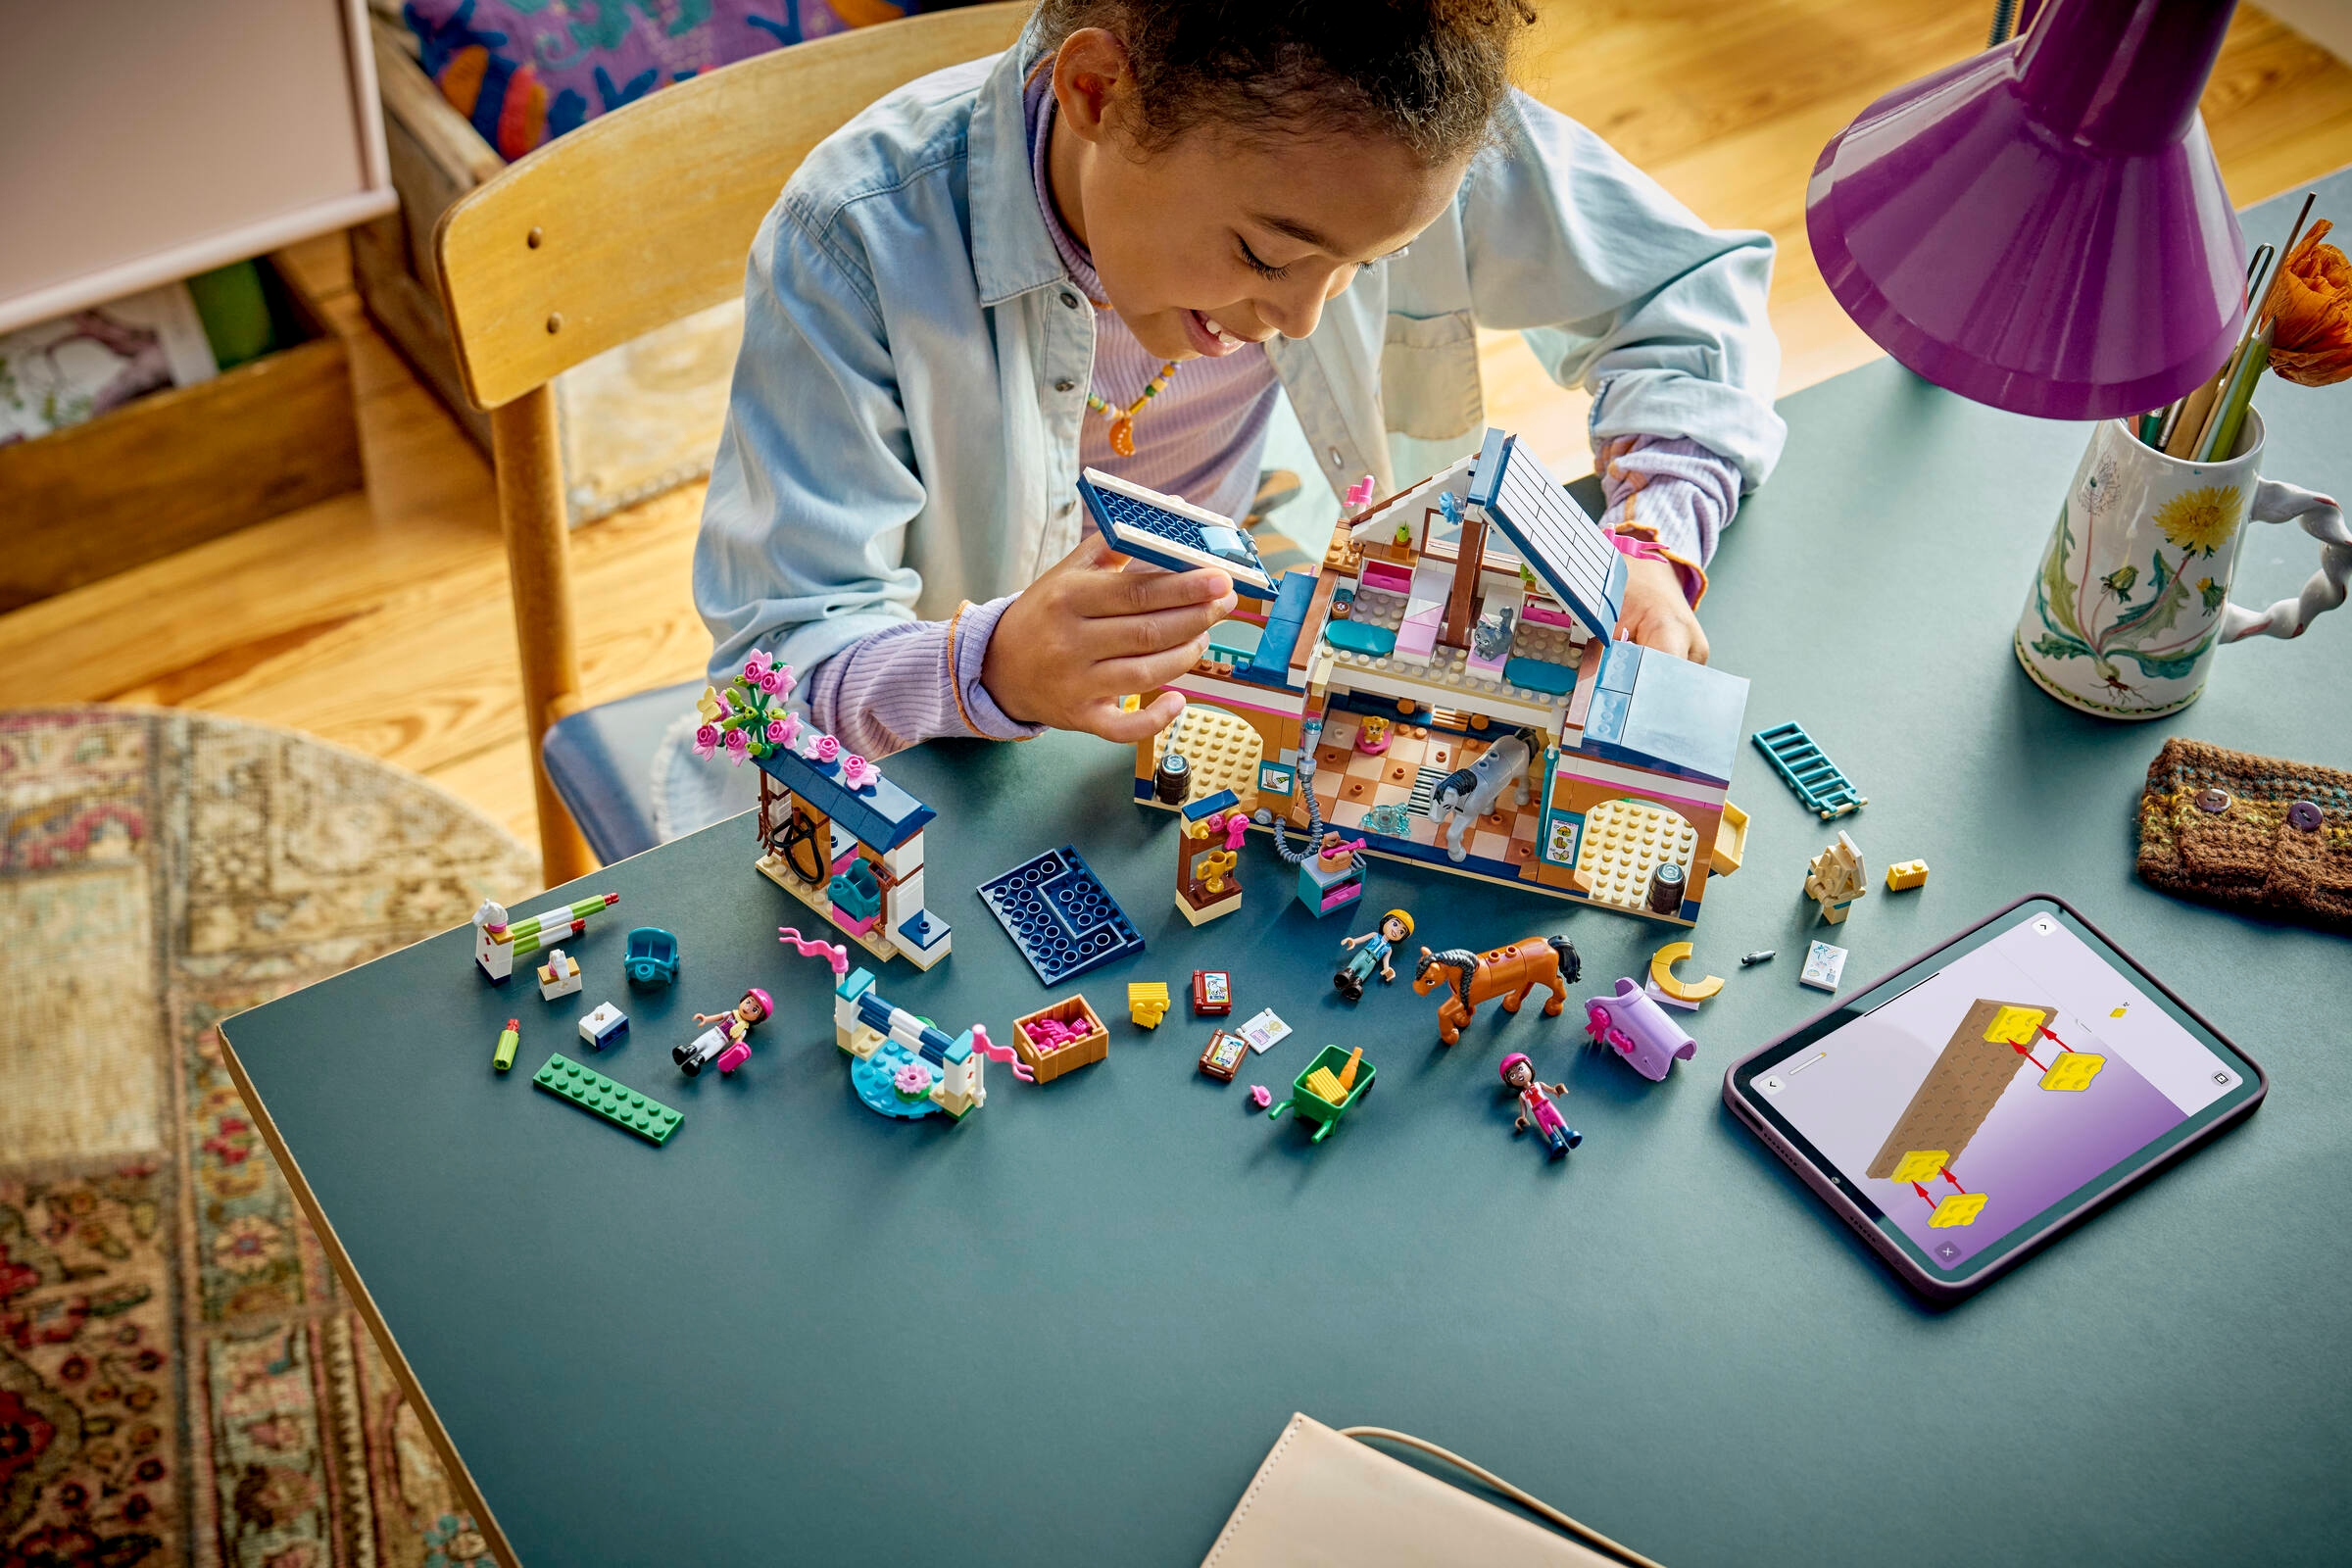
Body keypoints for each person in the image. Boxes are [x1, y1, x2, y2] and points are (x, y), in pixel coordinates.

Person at [693, 0, 1784, 768]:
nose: (1304, 319)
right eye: (1266, 256)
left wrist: (1649, 543)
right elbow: (768, 677)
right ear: (1097, 92)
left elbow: (1689, 294)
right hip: (957, 764)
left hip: (1234, 699)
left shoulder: (1382, 137)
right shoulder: (856, 247)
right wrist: (992, 666)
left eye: (1369, 266)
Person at [1499, 1053, 1580, 1158]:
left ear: (1529, 1067)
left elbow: (1550, 1090)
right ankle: (1556, 1142)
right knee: (1547, 1127)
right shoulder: (1522, 1095)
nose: (1519, 1075)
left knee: (1558, 1120)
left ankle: (1568, 1134)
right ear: (1509, 1082)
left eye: (1520, 1069)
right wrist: (1522, 1117)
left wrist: (1556, 1090)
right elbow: (1523, 1109)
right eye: (1512, 1075)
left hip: (1548, 1106)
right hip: (1537, 1112)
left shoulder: (1538, 1084)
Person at [1335, 908, 1413, 1001]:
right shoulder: (1375, 935)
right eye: (1395, 924)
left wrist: (1387, 970)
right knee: (1352, 967)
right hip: (1364, 954)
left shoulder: (1389, 949)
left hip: (1372, 962)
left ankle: (1355, 986)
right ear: (1385, 921)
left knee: (1362, 975)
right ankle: (1345, 975)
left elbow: (1386, 962)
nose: (1396, 930)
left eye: (1401, 932)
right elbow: (1363, 939)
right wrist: (1353, 941)